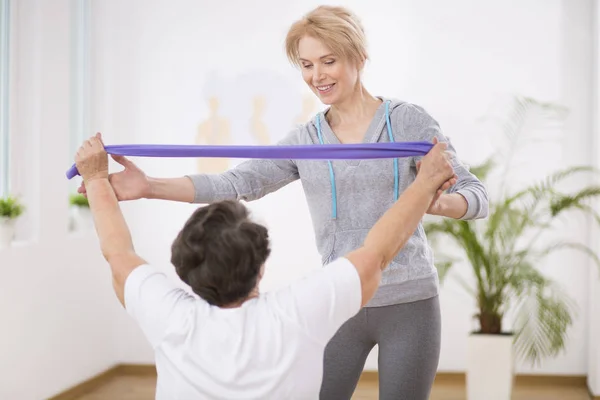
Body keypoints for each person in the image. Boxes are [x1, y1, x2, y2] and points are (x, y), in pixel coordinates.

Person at [78, 6, 489, 399]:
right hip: (341, 300)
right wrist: (148, 185)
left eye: (328, 61)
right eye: (307, 65)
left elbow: (475, 195)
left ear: (359, 57)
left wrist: (440, 205)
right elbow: (236, 182)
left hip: (410, 303)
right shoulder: (305, 140)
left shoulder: (408, 122)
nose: (317, 76)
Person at [74, 132, 457, 399]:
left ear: (183, 269)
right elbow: (375, 255)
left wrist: (95, 178)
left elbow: (117, 252)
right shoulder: (296, 313)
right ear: (260, 267)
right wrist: (425, 184)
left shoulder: (167, 316)